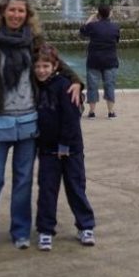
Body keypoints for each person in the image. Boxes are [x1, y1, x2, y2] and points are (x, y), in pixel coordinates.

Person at [0, 0, 82, 251]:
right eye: (12, 10)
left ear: (27, 15)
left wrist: (77, 82)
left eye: (21, 11)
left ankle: (20, 231)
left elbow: (58, 66)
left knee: (23, 180)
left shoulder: (35, 41)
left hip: (30, 123)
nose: (16, 15)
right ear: (3, 12)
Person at [33, 44, 96, 251]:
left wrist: (65, 145)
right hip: (47, 149)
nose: (41, 70)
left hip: (70, 149)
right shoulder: (35, 86)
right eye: (38, 67)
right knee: (47, 190)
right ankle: (45, 229)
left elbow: (71, 118)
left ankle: (86, 225)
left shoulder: (65, 85)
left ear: (55, 66)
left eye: (46, 66)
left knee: (76, 187)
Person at [79, 4, 120, 119]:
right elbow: (116, 40)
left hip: (94, 60)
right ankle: (111, 112)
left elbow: (82, 31)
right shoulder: (115, 27)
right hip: (110, 61)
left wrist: (91, 18)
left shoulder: (92, 26)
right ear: (109, 13)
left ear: (99, 14)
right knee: (110, 85)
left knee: (92, 86)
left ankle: (92, 112)